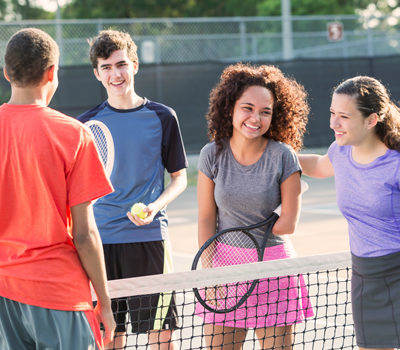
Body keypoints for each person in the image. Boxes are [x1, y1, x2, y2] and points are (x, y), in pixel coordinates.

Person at [0, 28, 116, 350]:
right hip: (59, 293)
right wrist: (104, 301)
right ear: (52, 72)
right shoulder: (74, 135)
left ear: (7, 72)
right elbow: (85, 234)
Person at [78, 29, 188, 350]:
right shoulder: (86, 125)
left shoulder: (162, 117)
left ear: (135, 66)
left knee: (161, 338)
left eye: (121, 64)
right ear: (97, 74)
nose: (116, 74)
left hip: (149, 239)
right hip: (101, 244)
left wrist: (155, 206)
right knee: (110, 337)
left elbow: (179, 177)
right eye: (107, 67)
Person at [196, 63, 313, 349]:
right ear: (231, 108)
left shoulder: (284, 156)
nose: (256, 118)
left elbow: (288, 224)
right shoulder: (211, 155)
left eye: (265, 112)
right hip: (225, 271)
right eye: (247, 108)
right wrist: (208, 271)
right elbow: (206, 219)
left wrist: (286, 203)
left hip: (274, 270)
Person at [298, 76, 400, 350]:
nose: (333, 123)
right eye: (332, 113)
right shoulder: (339, 153)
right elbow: (320, 167)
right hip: (364, 276)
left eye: (344, 116)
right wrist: (279, 156)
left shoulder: (396, 164)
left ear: (371, 120)